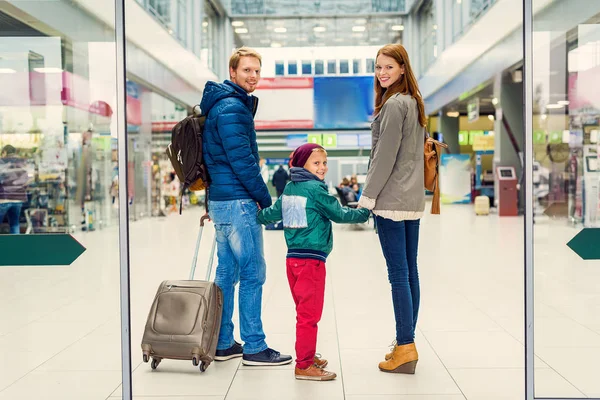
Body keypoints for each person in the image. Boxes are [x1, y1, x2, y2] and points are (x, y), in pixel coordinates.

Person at [199, 47, 292, 366]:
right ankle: (254, 346)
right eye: (247, 70)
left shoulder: (219, 105)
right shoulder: (232, 108)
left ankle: (224, 342)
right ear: (233, 71)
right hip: (238, 202)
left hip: (223, 201)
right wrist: (266, 201)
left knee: (228, 272)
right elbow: (243, 161)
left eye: (257, 71)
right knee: (253, 272)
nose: (253, 76)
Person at [257, 143, 370, 380]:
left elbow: (271, 214)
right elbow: (339, 214)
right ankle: (304, 365)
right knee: (310, 316)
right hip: (311, 262)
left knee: (303, 312)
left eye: (324, 163)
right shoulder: (316, 190)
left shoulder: (289, 189)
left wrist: (258, 211)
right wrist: (365, 211)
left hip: (293, 261)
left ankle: (306, 353)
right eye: (316, 163)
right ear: (302, 165)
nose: (322, 168)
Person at [357, 44, 427, 374]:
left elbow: (383, 158)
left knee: (398, 275)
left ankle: (405, 346)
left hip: (390, 201)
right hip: (412, 200)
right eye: (378, 67)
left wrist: (367, 198)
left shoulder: (394, 105)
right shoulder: (414, 103)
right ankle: (405, 344)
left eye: (388, 67)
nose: (382, 72)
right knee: (410, 272)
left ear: (402, 68)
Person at [0, 145, 28, 234]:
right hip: (18, 198)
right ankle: (16, 245)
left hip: (4, 198)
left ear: (4, 152)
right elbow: (26, 179)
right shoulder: (22, 162)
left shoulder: (2, 162)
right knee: (14, 224)